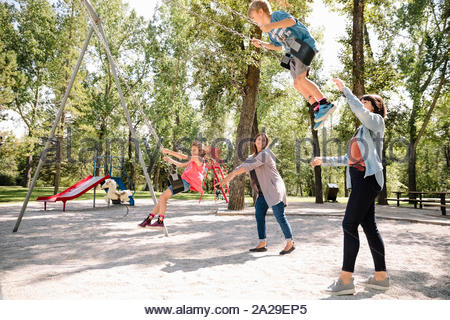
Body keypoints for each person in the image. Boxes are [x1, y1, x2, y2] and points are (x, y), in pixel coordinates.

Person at [311, 78, 389, 295]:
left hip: (367, 179)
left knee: (349, 224)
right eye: (361, 102)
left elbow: (361, 113)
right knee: (369, 227)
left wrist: (345, 90)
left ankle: (346, 280)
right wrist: (323, 160)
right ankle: (381, 277)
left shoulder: (376, 123)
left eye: (366, 102)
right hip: (359, 180)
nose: (361, 105)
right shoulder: (360, 132)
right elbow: (349, 158)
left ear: (375, 107)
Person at [248, 0, 335, 130]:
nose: (255, 22)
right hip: (293, 52)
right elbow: (277, 46)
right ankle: (317, 107)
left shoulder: (276, 16)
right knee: (297, 83)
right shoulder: (270, 32)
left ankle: (325, 103)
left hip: (304, 45)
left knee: (301, 79)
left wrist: (271, 26)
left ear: (261, 12)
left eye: (254, 18)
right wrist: (262, 43)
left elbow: (291, 21)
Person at [216, 133, 295, 255]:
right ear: (254, 141)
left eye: (263, 140)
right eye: (258, 139)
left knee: (279, 216)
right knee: (259, 214)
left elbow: (248, 166)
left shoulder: (264, 154)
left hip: (274, 189)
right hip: (263, 191)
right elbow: (243, 166)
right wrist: (230, 174)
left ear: (266, 143)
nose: (260, 141)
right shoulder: (252, 156)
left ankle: (290, 243)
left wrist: (230, 176)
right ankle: (262, 242)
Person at [138, 141, 207, 228]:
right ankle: (148, 220)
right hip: (183, 181)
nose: (192, 152)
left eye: (194, 150)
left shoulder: (198, 159)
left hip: (185, 183)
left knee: (163, 197)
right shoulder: (193, 160)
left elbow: (183, 157)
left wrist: (169, 151)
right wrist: (170, 160)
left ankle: (160, 221)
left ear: (200, 151)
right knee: (162, 200)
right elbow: (181, 165)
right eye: (191, 150)